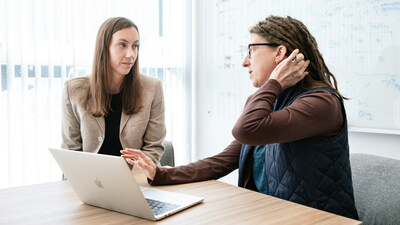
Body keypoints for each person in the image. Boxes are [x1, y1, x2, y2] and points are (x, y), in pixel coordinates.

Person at [121, 15, 359, 219]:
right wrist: (161, 174)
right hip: (272, 215)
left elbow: (246, 129)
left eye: (251, 52)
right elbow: (224, 160)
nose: (245, 62)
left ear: (280, 53)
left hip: (318, 221)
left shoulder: (321, 104)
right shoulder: (271, 102)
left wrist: (274, 81)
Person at [62, 17, 166, 165]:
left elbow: (153, 147)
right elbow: (71, 150)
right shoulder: (73, 90)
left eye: (135, 46)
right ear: (104, 48)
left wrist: (132, 175)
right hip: (91, 180)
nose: (131, 54)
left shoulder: (152, 88)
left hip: (135, 178)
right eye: (122, 45)